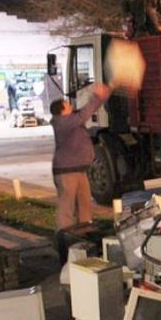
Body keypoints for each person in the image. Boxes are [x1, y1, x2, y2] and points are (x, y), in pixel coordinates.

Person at [50, 83, 112, 230]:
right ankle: (64, 235)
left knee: (84, 203)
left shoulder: (68, 119)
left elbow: (82, 111)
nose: (70, 106)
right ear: (62, 111)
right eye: (67, 105)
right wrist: (98, 97)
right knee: (67, 206)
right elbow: (84, 114)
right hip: (67, 172)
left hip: (79, 169)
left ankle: (85, 231)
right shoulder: (62, 123)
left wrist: (96, 97)